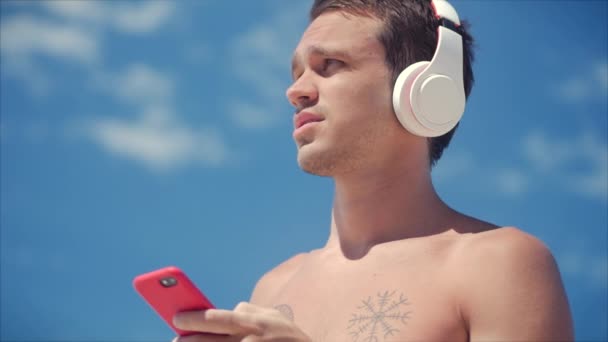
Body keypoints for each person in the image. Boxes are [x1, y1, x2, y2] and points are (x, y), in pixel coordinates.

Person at [172, 0, 574, 341]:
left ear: (424, 90)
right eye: (297, 73)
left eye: (329, 64)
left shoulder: (498, 263)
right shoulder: (273, 286)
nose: (295, 91)